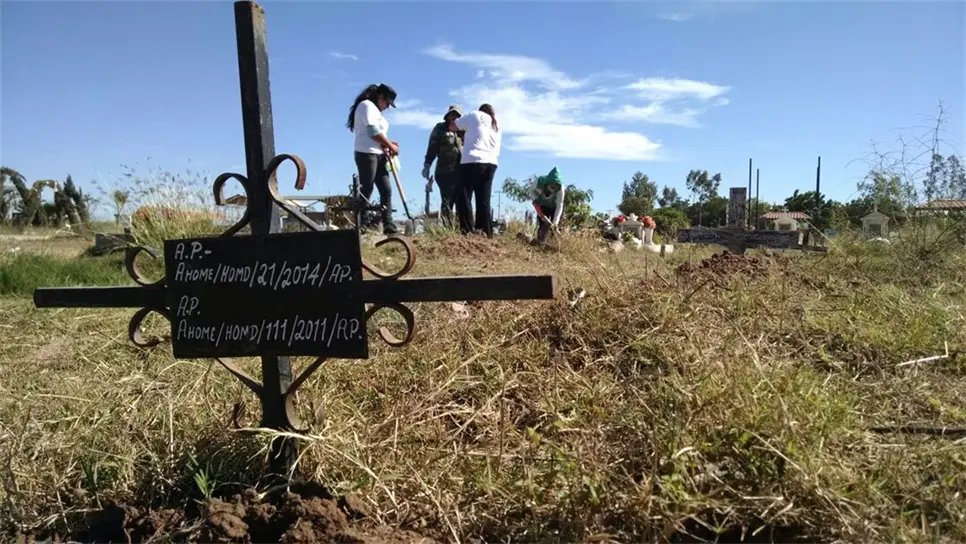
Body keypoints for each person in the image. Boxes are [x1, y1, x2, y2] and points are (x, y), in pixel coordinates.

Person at [347, 83, 400, 235]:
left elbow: (379, 135)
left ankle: (388, 224)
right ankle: (361, 224)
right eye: (387, 103)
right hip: (366, 153)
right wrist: (390, 145)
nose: (387, 107)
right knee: (367, 188)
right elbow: (372, 131)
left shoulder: (376, 112)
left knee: (386, 189)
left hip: (379, 154)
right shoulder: (366, 105)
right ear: (380, 97)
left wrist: (389, 144)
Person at [450, 104, 501, 237]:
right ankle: (485, 233)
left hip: (472, 159)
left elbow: (452, 126)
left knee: (464, 196)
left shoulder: (474, 115)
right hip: (491, 163)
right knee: (483, 200)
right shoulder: (497, 124)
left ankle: (467, 231)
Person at [421, 105, 464, 228]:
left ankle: (460, 230)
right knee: (447, 201)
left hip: (460, 172)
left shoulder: (463, 131)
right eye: (452, 115)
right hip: (444, 171)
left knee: (461, 202)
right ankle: (447, 229)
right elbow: (432, 147)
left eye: (457, 116)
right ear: (448, 116)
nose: (454, 118)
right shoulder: (440, 129)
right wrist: (427, 164)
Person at [530, 167, 566, 244]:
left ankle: (555, 245)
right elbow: (535, 202)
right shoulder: (538, 183)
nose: (553, 186)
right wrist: (543, 217)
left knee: (555, 228)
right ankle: (540, 242)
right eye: (551, 184)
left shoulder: (561, 189)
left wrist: (555, 222)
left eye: (555, 185)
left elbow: (560, 205)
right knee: (543, 225)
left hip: (555, 207)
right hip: (543, 205)